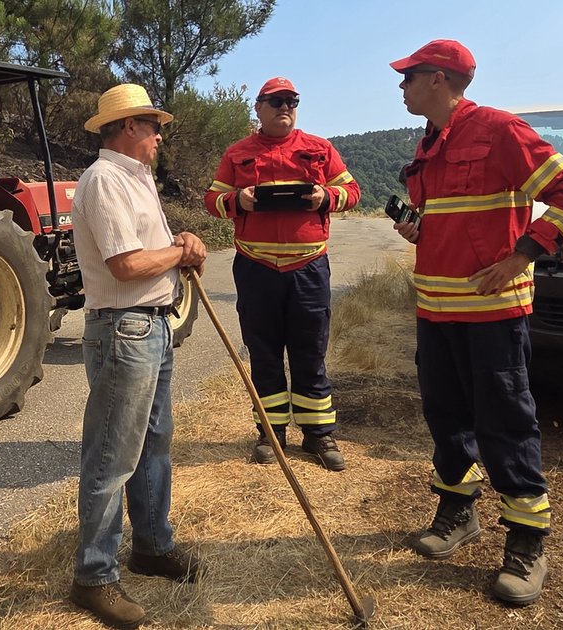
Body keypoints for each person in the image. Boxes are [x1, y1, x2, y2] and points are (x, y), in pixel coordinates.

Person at [389, 39, 563, 605]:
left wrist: (523, 254)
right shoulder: (429, 143)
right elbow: (453, 219)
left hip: (492, 314)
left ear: (439, 79)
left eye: (409, 77)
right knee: (447, 417)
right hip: (436, 310)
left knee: (505, 422)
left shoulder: (500, 130)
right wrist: (421, 229)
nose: (401, 86)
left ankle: (528, 542)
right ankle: (458, 513)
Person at [69, 83, 207, 630]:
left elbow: (152, 250)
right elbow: (126, 265)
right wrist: (181, 251)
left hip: (149, 328)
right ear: (128, 126)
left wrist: (182, 245)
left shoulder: (135, 180)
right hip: (125, 329)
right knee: (111, 455)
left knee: (153, 444)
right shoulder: (104, 181)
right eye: (153, 126)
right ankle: (94, 576)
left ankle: (151, 546)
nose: (158, 135)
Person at [203, 77, 359, 471]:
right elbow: (211, 200)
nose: (284, 107)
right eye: (275, 101)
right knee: (264, 353)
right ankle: (271, 435)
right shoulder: (238, 153)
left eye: (291, 101)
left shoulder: (320, 149)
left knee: (310, 352)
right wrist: (236, 200)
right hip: (256, 269)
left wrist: (328, 196)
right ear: (258, 108)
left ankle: (318, 435)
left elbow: (352, 191)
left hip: (308, 269)